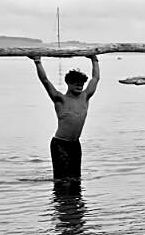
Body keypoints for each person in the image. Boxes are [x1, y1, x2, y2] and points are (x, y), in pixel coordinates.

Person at [31, 54, 100, 184]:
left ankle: (74, 203)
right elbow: (45, 81)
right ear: (68, 83)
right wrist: (37, 61)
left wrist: (94, 59)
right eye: (76, 84)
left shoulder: (85, 96)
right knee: (62, 181)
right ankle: (61, 203)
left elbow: (96, 78)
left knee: (75, 179)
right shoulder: (60, 99)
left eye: (81, 84)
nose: (79, 86)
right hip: (60, 144)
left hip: (75, 144)